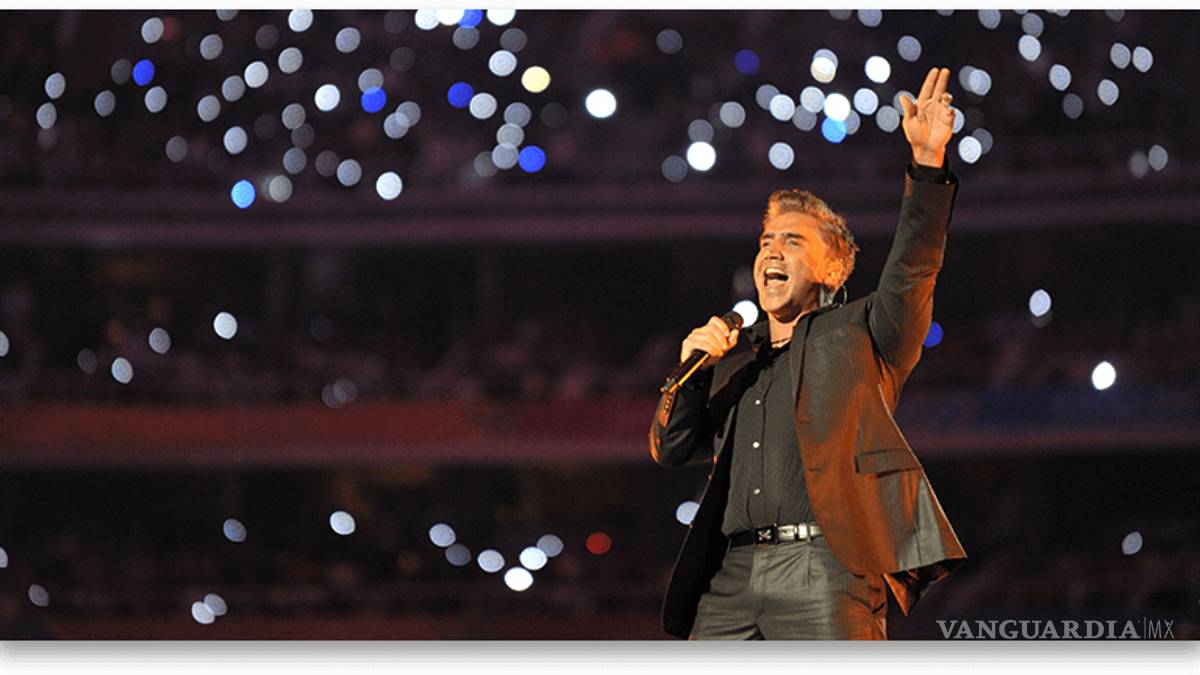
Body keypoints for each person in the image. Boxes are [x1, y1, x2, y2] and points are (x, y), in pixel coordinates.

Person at [649, 67, 967, 640]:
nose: (772, 251)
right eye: (766, 242)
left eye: (792, 242)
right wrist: (691, 372)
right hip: (729, 575)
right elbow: (672, 449)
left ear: (831, 270)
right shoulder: (733, 358)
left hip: (824, 571)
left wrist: (927, 163)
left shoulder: (863, 332)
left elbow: (914, 266)